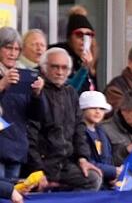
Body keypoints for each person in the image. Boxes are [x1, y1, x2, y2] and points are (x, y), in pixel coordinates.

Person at [26, 48, 102, 191]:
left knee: (93, 178)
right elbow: (30, 135)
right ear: (43, 68)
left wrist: (82, 158)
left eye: (64, 68)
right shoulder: (36, 92)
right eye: (55, 67)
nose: (60, 72)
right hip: (42, 164)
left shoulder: (71, 93)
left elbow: (79, 129)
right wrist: (37, 169)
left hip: (67, 164)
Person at [0, 26, 44, 180]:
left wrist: (37, 96)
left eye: (16, 49)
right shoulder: (6, 78)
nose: (12, 53)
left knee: (10, 199)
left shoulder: (23, 74)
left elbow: (35, 116)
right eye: (8, 48)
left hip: (16, 147)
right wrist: (2, 85)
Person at [78, 90, 119, 187]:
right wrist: (113, 171)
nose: (97, 111)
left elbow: (108, 158)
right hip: (92, 181)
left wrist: (113, 175)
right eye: (92, 108)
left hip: (105, 183)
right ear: (82, 109)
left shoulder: (101, 131)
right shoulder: (78, 132)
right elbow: (87, 161)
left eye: (101, 108)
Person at [50, 11, 98, 92]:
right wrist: (84, 68)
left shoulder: (91, 57)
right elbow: (66, 92)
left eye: (89, 35)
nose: (84, 39)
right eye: (79, 34)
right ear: (70, 38)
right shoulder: (60, 56)